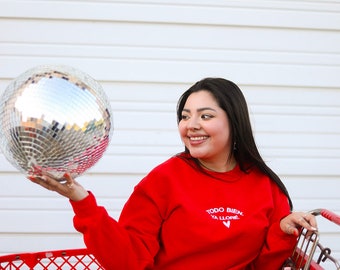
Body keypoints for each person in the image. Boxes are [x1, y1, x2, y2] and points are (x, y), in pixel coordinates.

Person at [29, 77, 317, 270]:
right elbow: (128, 259)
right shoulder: (165, 180)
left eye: (205, 116)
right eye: (185, 116)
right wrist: (81, 200)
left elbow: (263, 266)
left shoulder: (266, 187)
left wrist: (282, 230)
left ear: (234, 122)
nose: (191, 125)